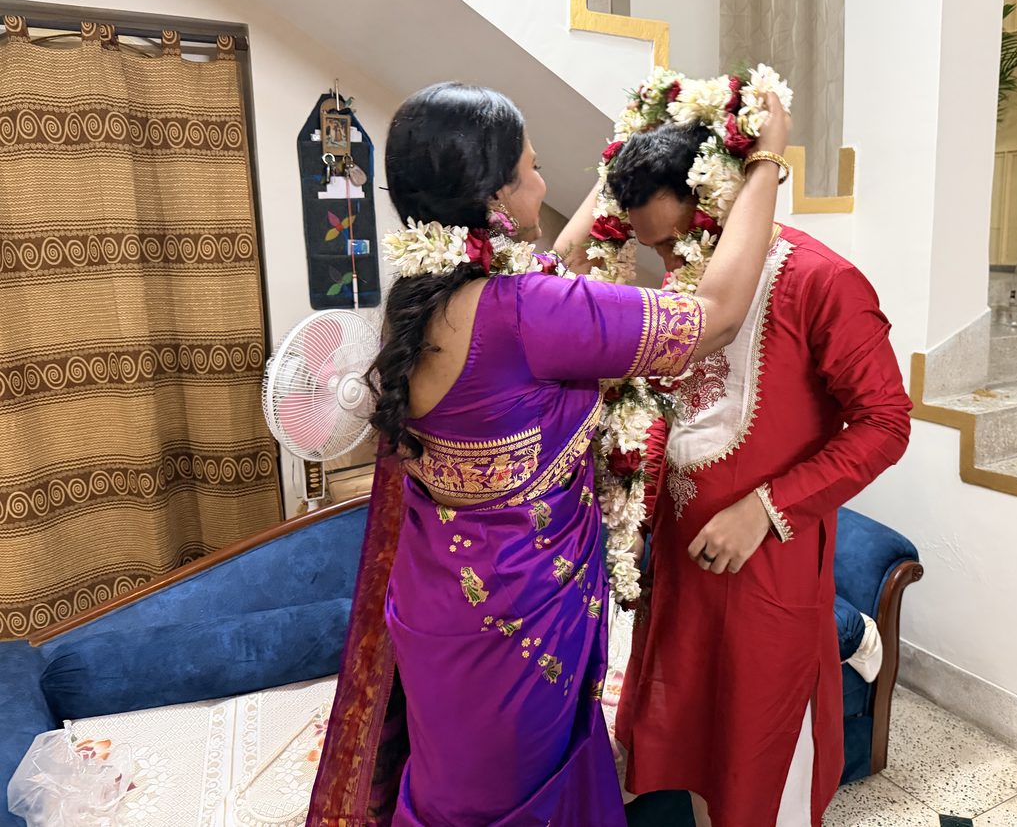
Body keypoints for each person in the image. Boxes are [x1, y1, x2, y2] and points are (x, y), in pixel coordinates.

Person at [306, 82, 791, 826]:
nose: (543, 182)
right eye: (532, 169)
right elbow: (716, 317)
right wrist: (767, 163)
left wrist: (620, 150)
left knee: (456, 786)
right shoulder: (527, 312)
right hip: (519, 620)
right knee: (518, 800)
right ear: (496, 198)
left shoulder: (423, 292)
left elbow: (558, 267)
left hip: (441, 600)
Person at [608, 122, 913, 827]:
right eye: (655, 249)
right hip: (682, 566)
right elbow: (678, 408)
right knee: (690, 742)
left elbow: (885, 423)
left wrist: (765, 508)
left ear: (721, 199)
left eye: (675, 240)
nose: (669, 262)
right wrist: (639, 513)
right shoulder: (693, 279)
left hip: (767, 568)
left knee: (761, 761)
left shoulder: (822, 281)